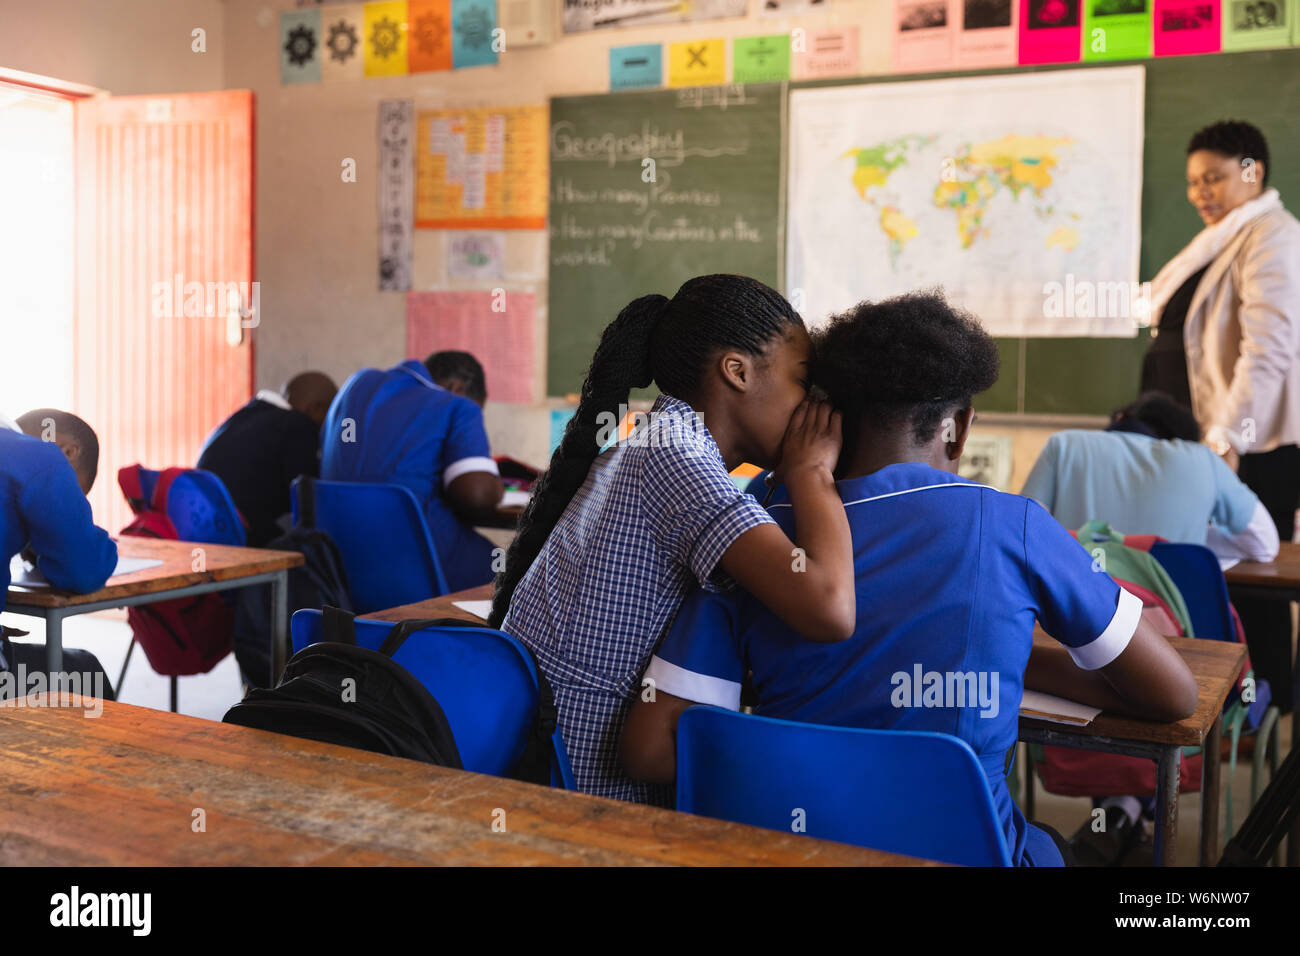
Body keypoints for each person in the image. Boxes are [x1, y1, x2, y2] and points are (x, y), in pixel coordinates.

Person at [620, 291, 1198, 865]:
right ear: (960, 428)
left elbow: (651, 747)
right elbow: (1173, 695)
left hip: (790, 851)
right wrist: (1004, 657)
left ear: (829, 417)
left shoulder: (761, 534)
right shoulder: (1011, 524)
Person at [490, 274, 856, 805]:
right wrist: (812, 473)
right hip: (585, 799)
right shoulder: (677, 458)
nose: (812, 407)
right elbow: (830, 607)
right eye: (803, 381)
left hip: (549, 763)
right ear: (737, 371)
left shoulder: (663, 439)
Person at [1140, 119, 1300, 712]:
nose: (1199, 193)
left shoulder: (1272, 235)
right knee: (1208, 573)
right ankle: (1226, 704)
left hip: (1250, 445)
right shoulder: (1220, 240)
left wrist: (1229, 437)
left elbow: (1269, 349)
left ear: (1252, 172)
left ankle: (1264, 708)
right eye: (1192, 182)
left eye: (1213, 178)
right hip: (1202, 443)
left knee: (1253, 582)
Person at [1021, 392, 1279, 565]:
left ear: (1121, 418)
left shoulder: (1064, 445)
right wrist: (1196, 539)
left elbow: (1022, 533)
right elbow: (1264, 544)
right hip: (1167, 626)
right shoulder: (1202, 459)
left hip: (1072, 621)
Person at [321, 350, 504, 592]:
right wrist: (497, 488)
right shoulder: (459, 406)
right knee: (504, 564)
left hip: (335, 565)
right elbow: (476, 495)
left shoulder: (354, 387)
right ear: (456, 388)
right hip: (413, 564)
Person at [0, 410, 119, 699]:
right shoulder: (40, 458)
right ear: (68, 451)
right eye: (76, 495)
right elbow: (84, 570)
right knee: (86, 673)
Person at [197, 372, 337, 547]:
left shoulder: (244, 416)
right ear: (316, 408)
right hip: (243, 537)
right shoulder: (299, 425)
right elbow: (307, 497)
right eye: (329, 415)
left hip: (203, 528)